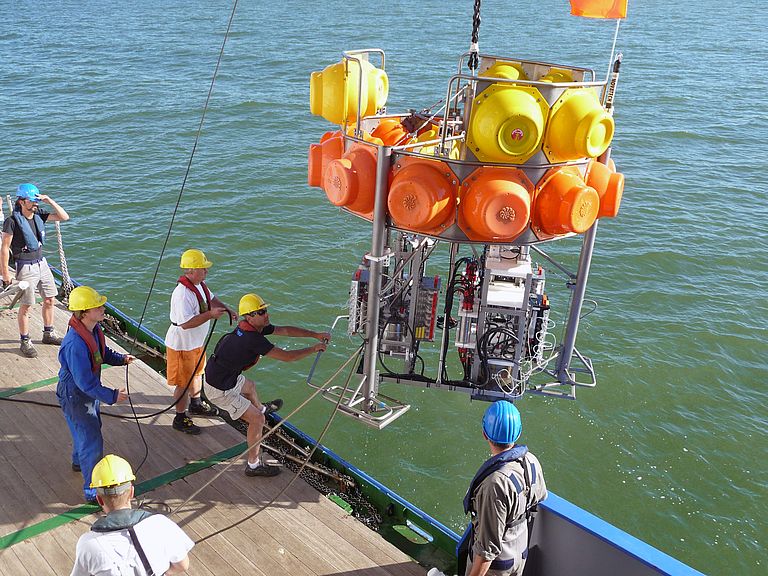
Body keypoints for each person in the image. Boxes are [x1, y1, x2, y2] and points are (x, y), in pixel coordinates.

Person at [204, 293, 330, 477]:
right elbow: (287, 357)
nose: (266, 314)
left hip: (223, 376)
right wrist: (313, 348)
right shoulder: (252, 339)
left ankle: (261, 409)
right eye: (261, 312)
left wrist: (314, 335)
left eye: (265, 310)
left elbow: (285, 331)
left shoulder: (251, 329)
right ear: (249, 316)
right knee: (257, 421)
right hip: (219, 390)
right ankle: (253, 465)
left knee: (250, 386)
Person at [57, 286, 135, 503]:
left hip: (83, 393)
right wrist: (111, 395)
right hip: (76, 394)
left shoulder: (93, 330)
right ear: (84, 313)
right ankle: (92, 490)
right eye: (97, 306)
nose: (102, 308)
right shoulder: (75, 344)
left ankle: (78, 462)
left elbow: (102, 352)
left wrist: (121, 358)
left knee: (82, 430)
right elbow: (85, 383)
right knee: (92, 439)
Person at [458, 401, 547, 576]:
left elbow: (487, 551)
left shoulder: (494, 484)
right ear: (518, 432)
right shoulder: (531, 461)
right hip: (519, 552)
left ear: (485, 434)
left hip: (497, 567)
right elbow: (540, 497)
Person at [71, 454, 193, 576]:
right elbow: (183, 565)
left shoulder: (88, 544)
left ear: (99, 499)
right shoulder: (161, 524)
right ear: (132, 493)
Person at [165, 248, 236, 435]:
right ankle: (180, 418)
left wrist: (227, 309)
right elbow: (186, 324)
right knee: (183, 382)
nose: (207, 271)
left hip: (196, 343)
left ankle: (195, 404)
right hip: (182, 345)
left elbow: (212, 299)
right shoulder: (182, 294)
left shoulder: (199, 285)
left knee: (197, 374)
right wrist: (210, 315)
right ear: (191, 271)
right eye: (203, 268)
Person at [0, 183, 70, 357]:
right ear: (22, 202)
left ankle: (49, 333)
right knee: (26, 306)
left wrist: (49, 200)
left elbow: (64, 216)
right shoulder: (12, 222)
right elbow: (4, 248)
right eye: (32, 200)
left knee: (49, 300)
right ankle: (25, 340)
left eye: (35, 200)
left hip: (42, 263)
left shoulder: (39, 215)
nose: (35, 203)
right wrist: (6, 275)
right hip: (25, 266)